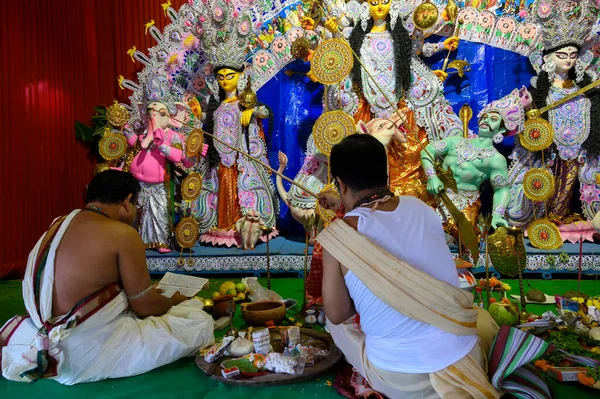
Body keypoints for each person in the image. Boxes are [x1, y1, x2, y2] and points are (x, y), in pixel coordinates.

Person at [317, 135, 501, 398]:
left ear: (341, 184)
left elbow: (338, 314)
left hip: (399, 378)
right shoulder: (423, 209)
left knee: (335, 323)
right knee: (480, 316)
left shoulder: (339, 235)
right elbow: (385, 223)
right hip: (464, 358)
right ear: (387, 172)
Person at [0, 170, 214, 385]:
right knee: (197, 323)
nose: (136, 213)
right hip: (83, 354)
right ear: (127, 200)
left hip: (41, 339)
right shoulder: (122, 234)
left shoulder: (59, 223)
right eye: (136, 205)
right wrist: (172, 301)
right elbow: (146, 307)